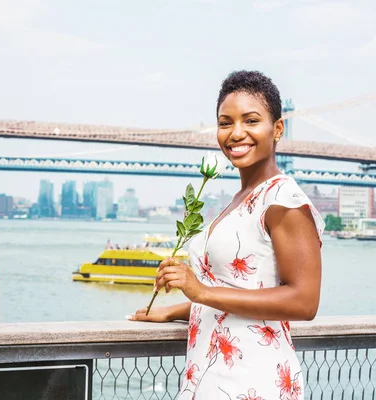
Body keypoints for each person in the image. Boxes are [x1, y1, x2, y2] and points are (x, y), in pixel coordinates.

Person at [127, 70, 324, 399]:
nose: (236, 133)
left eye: (250, 121)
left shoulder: (284, 201)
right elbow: (238, 291)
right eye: (225, 122)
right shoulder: (238, 201)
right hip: (210, 378)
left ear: (277, 129)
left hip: (253, 383)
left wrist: (199, 291)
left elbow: (304, 302)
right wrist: (176, 309)